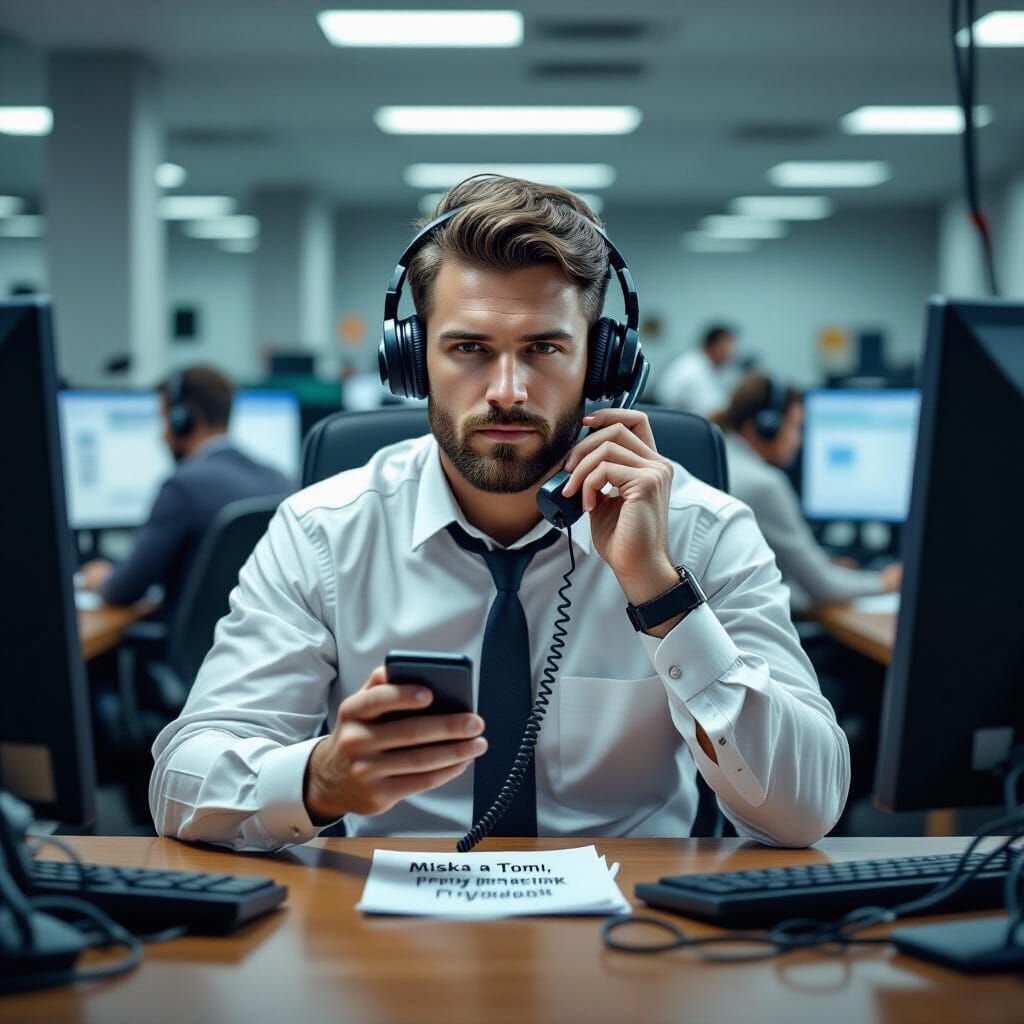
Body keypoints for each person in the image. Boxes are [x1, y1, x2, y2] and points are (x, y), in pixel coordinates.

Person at [150, 177, 849, 852]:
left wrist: (662, 595)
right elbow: (180, 783)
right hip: (384, 939)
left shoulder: (703, 528)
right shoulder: (323, 532)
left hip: (630, 935)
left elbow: (805, 810)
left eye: (544, 348)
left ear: (603, 366)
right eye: (469, 349)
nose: (507, 391)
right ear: (413, 361)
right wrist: (320, 779)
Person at [79, 365, 293, 619]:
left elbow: (125, 588)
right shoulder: (281, 480)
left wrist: (101, 579)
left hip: (203, 654)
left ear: (184, 421)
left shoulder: (181, 486)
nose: (163, 436)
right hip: (267, 646)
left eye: (164, 420)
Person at [713, 373, 901, 610]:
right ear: (766, 428)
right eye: (794, 426)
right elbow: (824, 587)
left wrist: (824, 566)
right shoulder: (765, 484)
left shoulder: (722, 457)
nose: (798, 440)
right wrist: (884, 581)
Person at [654, 324, 737, 417]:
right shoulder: (694, 370)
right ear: (714, 346)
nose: (730, 355)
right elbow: (711, 411)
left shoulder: (697, 362)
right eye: (728, 348)